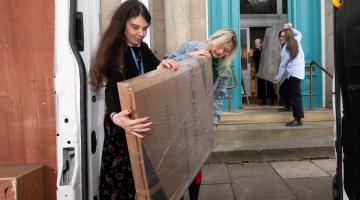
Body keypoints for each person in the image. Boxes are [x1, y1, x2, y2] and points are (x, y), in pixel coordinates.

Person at [90, 0, 178, 199]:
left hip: (141, 122)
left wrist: (169, 63)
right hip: (123, 123)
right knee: (122, 183)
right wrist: (115, 117)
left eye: (145, 28)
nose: (140, 33)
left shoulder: (143, 48)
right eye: (135, 27)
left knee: (144, 179)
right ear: (122, 24)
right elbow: (112, 89)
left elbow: (158, 68)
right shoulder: (114, 50)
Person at [167, 28, 238, 200]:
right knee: (176, 163)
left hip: (199, 118)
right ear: (214, 38)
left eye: (226, 51)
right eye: (220, 46)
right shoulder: (190, 47)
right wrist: (189, 57)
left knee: (195, 163)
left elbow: (218, 96)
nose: (220, 52)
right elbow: (166, 65)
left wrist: (214, 121)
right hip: (175, 115)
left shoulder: (224, 69)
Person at [273, 23, 305, 126]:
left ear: (288, 36)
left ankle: (298, 119)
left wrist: (278, 78)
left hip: (293, 74)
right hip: (296, 73)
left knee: (295, 96)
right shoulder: (296, 41)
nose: (281, 38)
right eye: (280, 36)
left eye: (283, 36)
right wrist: (291, 29)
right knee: (284, 89)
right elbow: (299, 33)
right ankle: (288, 107)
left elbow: (282, 66)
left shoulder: (285, 49)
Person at [253, 38, 276, 105]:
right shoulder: (255, 52)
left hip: (267, 70)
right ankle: (263, 100)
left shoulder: (266, 51)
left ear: (261, 44)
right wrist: (257, 72)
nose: (256, 44)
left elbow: (270, 60)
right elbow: (256, 63)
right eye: (255, 43)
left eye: (258, 43)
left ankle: (272, 101)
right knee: (261, 85)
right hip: (260, 71)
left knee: (270, 85)